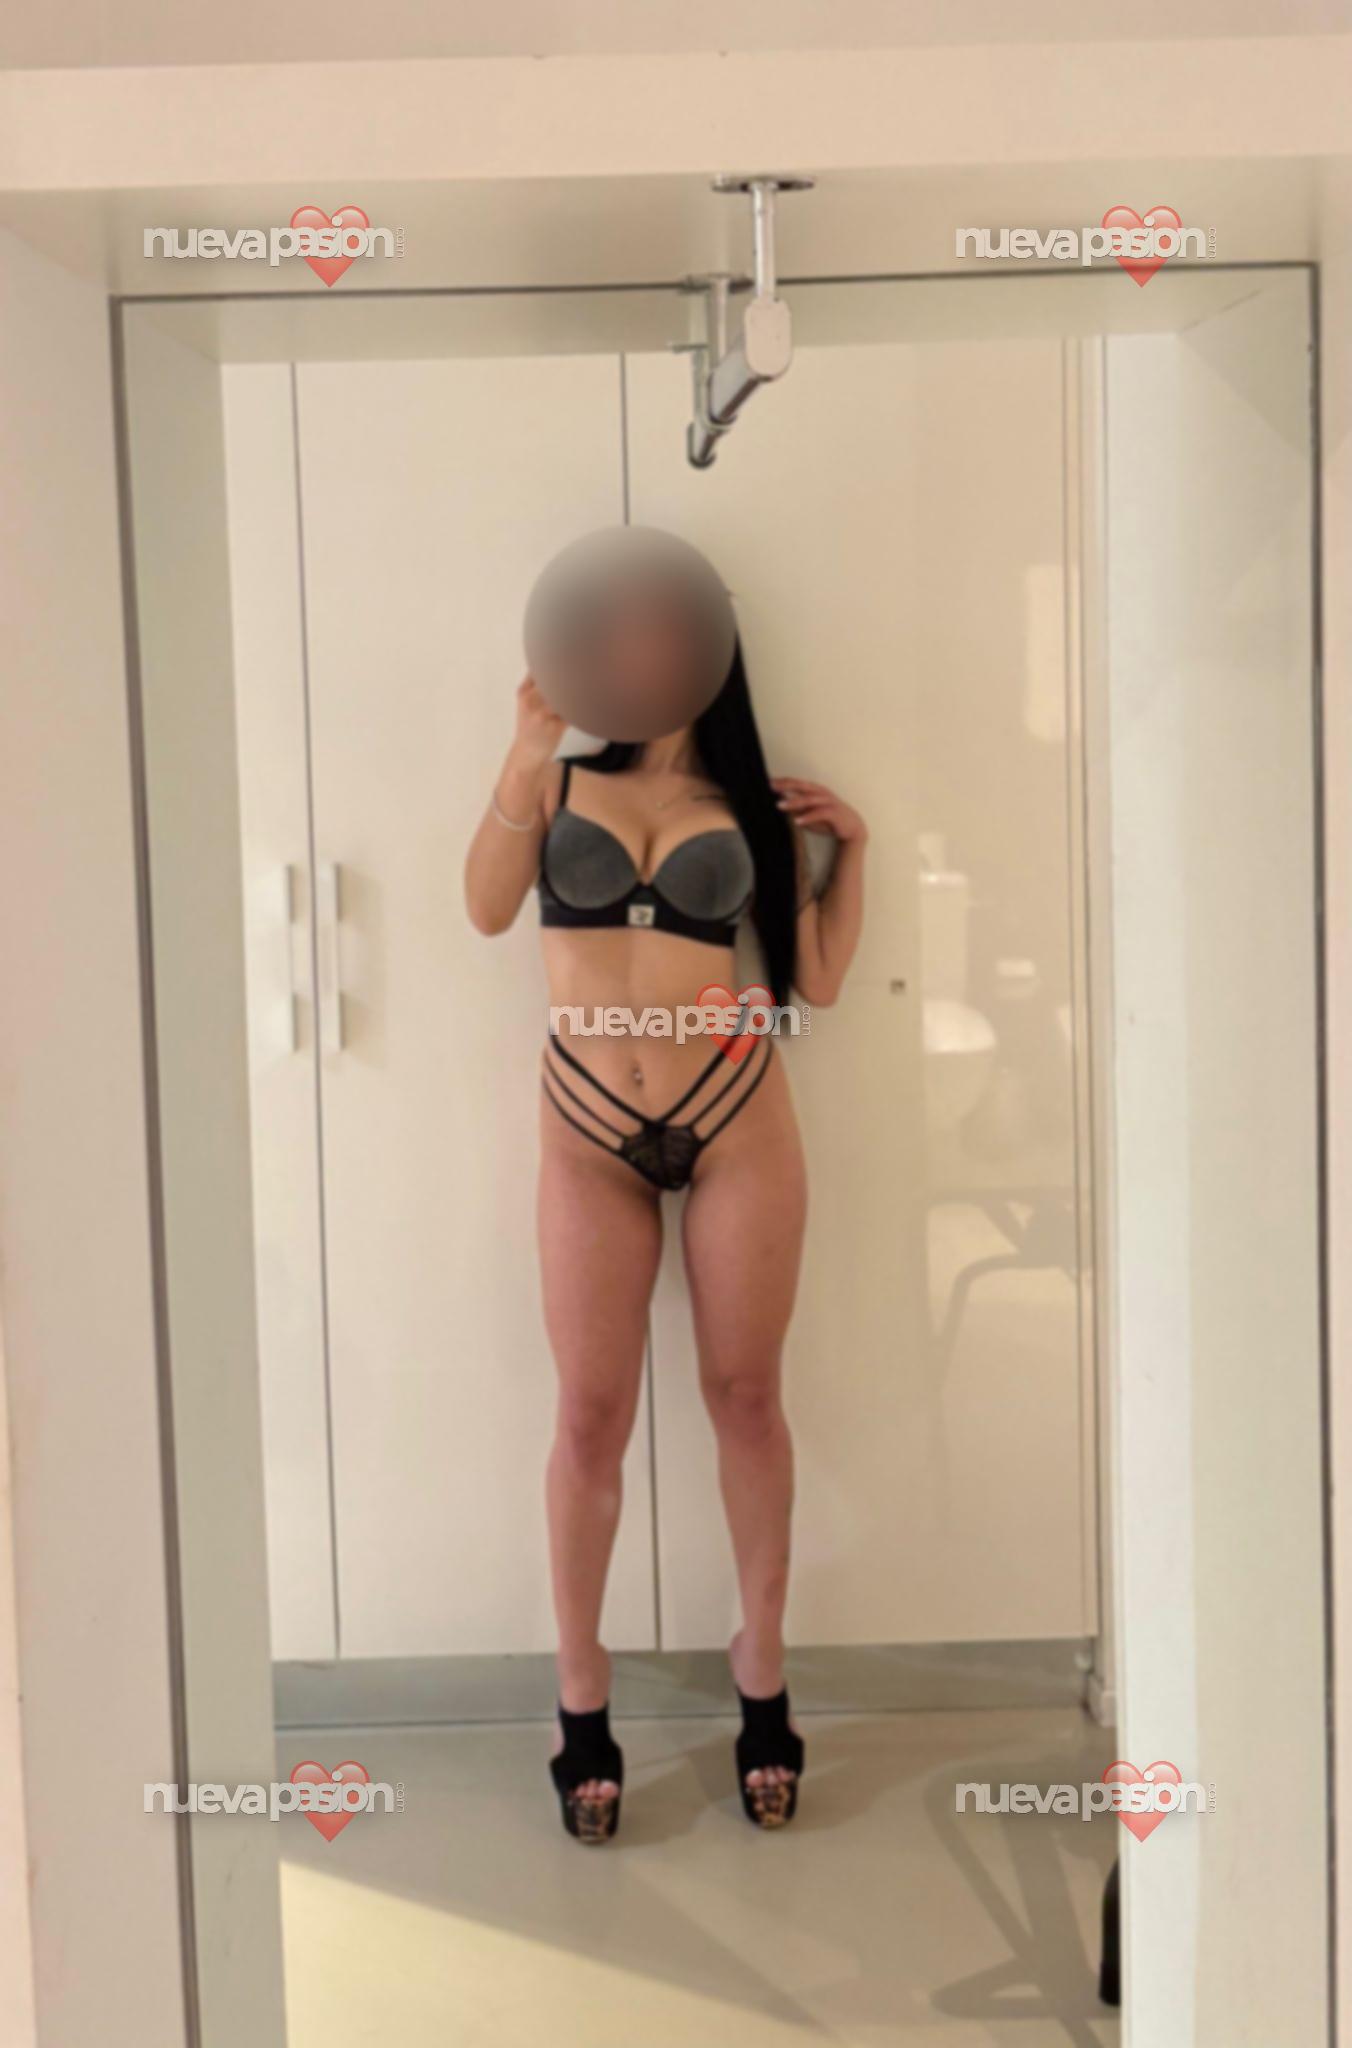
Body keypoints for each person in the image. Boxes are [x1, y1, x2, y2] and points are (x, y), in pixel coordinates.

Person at [464, 629, 866, 1842]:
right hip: (587, 1128)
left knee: (745, 1395)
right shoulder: (558, 779)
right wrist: (524, 748)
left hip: (736, 1112)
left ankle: (762, 1669)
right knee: (590, 1413)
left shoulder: (746, 809)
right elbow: (484, 907)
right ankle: (579, 1690)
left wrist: (853, 850)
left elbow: (815, 978)